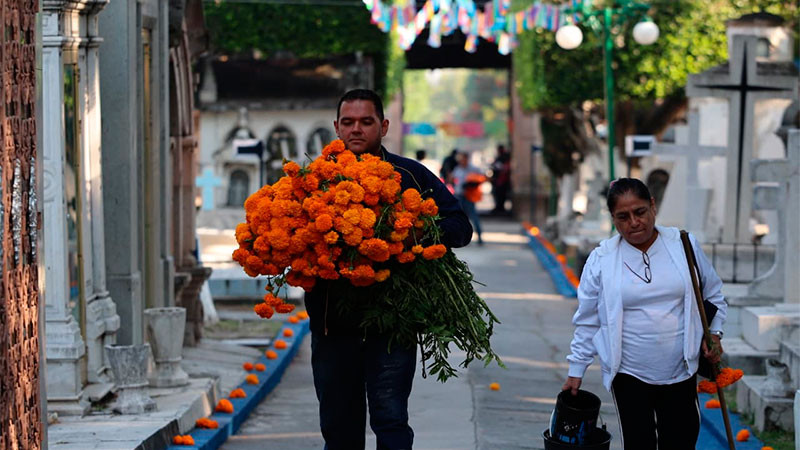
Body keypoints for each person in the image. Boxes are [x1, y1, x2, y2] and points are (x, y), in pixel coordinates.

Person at [305, 89, 473, 450]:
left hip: (393, 324)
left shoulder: (410, 175)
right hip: (332, 326)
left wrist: (414, 231)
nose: (356, 130)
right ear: (336, 127)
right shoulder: (313, 182)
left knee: (391, 420)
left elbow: (461, 226)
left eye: (366, 122)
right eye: (348, 122)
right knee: (338, 428)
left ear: (383, 126)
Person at [562, 178, 727, 450]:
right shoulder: (602, 259)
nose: (634, 223)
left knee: (681, 443)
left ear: (652, 206)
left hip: (681, 369)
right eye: (623, 217)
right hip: (629, 373)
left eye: (640, 212)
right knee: (639, 444)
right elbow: (588, 320)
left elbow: (714, 295)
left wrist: (714, 334)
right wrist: (576, 369)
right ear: (613, 219)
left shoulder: (683, 245)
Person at [450, 151, 485, 245]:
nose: (462, 161)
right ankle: (460, 238)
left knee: (473, 217)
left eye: (463, 159)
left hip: (469, 196)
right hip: (459, 195)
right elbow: (452, 179)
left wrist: (473, 183)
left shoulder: (474, 169)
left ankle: (480, 237)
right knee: (459, 217)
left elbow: (482, 178)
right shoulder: (457, 169)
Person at [489, 144, 511, 214]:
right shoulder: (500, 157)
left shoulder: (504, 157)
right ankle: (499, 207)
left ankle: (500, 207)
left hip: (502, 180)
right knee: (498, 194)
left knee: (501, 195)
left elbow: (504, 168)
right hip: (498, 180)